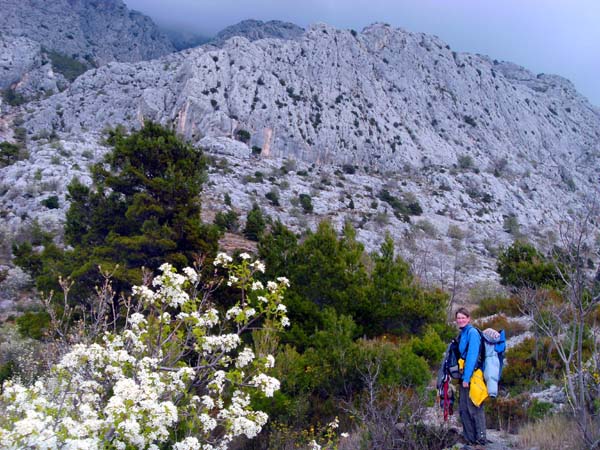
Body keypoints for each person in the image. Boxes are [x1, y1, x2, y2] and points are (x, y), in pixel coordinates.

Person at [455, 307, 487, 447]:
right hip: (464, 376)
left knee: (474, 406)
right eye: (458, 318)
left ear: (469, 319)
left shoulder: (472, 333)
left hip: (473, 376)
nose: (461, 320)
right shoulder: (462, 333)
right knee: (463, 408)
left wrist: (467, 378)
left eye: (463, 317)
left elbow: (472, 356)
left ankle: (480, 438)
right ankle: (470, 439)